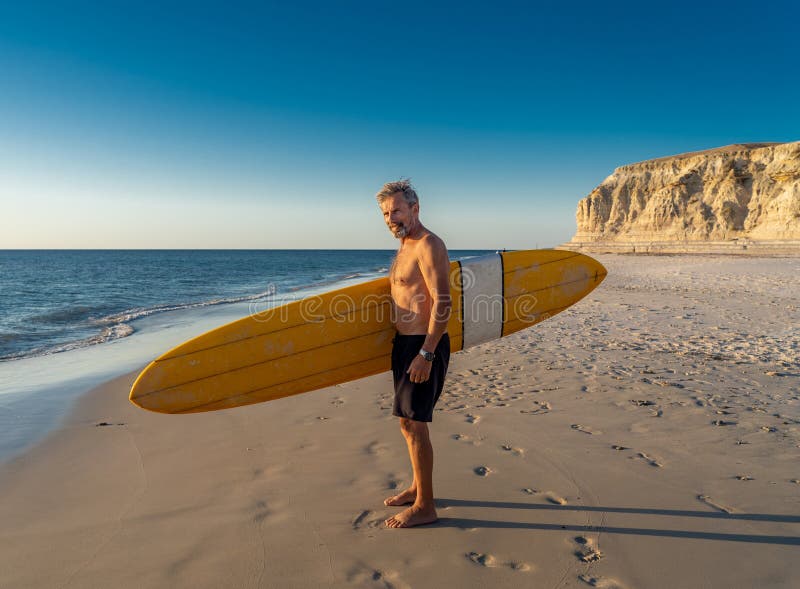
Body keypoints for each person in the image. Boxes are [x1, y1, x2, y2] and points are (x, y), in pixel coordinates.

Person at [375, 179, 452, 528]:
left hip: (424, 345)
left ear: (415, 208)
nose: (391, 218)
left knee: (416, 425)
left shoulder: (428, 244)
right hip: (405, 345)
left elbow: (443, 302)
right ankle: (417, 487)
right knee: (407, 422)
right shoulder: (405, 245)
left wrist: (426, 354)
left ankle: (426, 505)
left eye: (397, 210)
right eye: (386, 213)